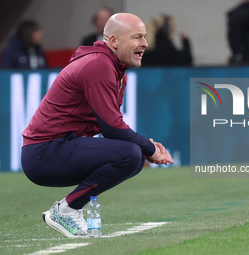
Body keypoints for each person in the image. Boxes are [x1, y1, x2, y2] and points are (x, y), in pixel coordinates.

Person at [21, 13, 174, 238]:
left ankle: (68, 209)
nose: (145, 43)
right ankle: (66, 210)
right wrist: (149, 149)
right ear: (113, 41)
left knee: (133, 154)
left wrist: (145, 147)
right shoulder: (99, 65)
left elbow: (111, 126)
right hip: (44, 153)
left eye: (144, 36)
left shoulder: (113, 67)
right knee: (131, 154)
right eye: (137, 37)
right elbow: (112, 128)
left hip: (56, 148)